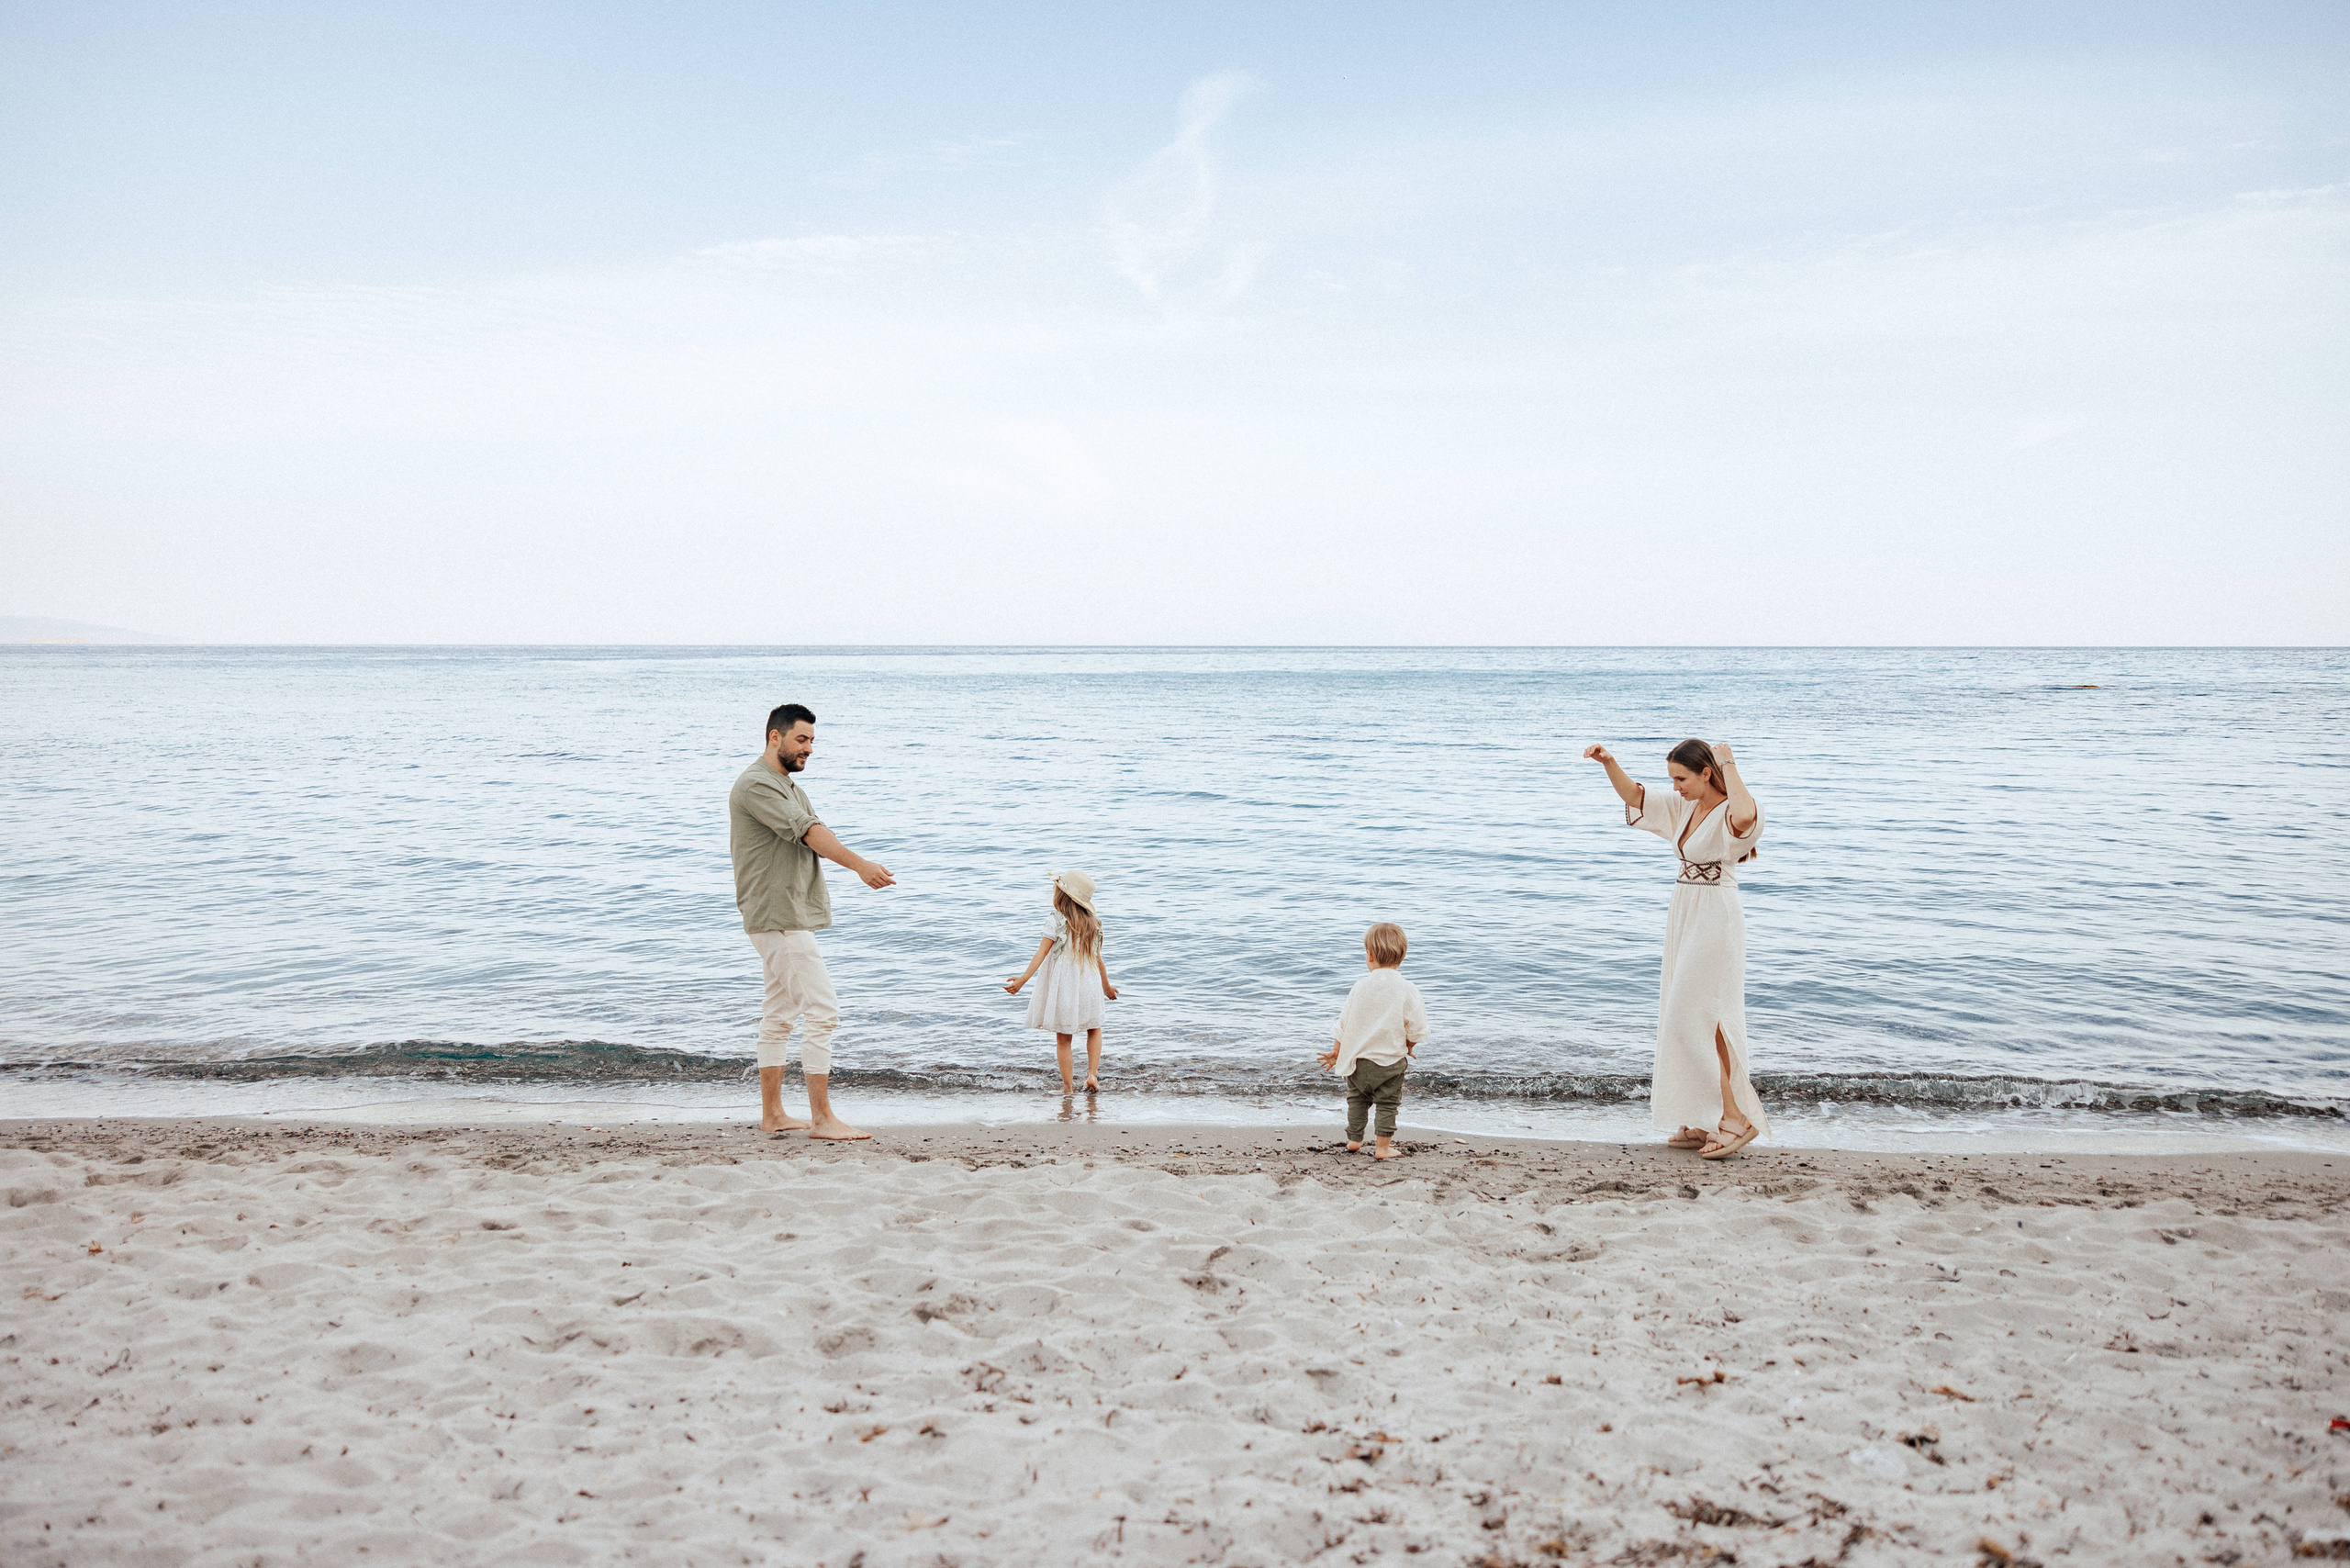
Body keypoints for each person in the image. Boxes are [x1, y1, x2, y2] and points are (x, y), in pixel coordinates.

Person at [1583, 737, 1768, 1158]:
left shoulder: (1728, 810)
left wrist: (1729, 762)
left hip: (1715, 915)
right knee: (1681, 1014)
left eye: (1682, 778)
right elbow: (1637, 796)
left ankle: (1737, 1117)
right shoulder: (1685, 806)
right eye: (1672, 779)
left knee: (1708, 1017)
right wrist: (1609, 762)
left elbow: (1745, 813)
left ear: (1706, 773)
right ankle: (1703, 1116)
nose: (1676, 786)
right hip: (1685, 910)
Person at [728, 702, 894, 1140]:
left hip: (785, 913)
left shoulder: (786, 785)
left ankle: (774, 1115)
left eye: (812, 742)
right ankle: (822, 1119)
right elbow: (809, 832)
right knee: (823, 1010)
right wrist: (859, 865)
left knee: (780, 1013)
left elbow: (813, 827)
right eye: (801, 739)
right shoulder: (756, 785)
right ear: (774, 737)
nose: (809, 749)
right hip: (776, 915)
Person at [1315, 923, 1428, 1159]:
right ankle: (1382, 1148)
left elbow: (1344, 1022)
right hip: (1389, 1063)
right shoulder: (1407, 988)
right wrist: (1410, 1045)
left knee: (1356, 1100)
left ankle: (1354, 1140)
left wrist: (1337, 1051)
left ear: (1369, 955)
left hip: (1358, 1063)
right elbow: (1416, 1025)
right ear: (1402, 956)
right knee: (1388, 1104)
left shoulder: (1360, 986)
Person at [1002, 870, 1120, 1094]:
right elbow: (1098, 960)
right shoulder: (1094, 923)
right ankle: (1092, 1075)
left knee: (1064, 1039)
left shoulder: (1055, 920)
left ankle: (1068, 1088)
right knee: (1094, 1029)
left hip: (1066, 985)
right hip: (1090, 983)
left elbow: (1041, 954)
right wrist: (1106, 987)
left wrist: (1023, 980)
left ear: (1062, 895)